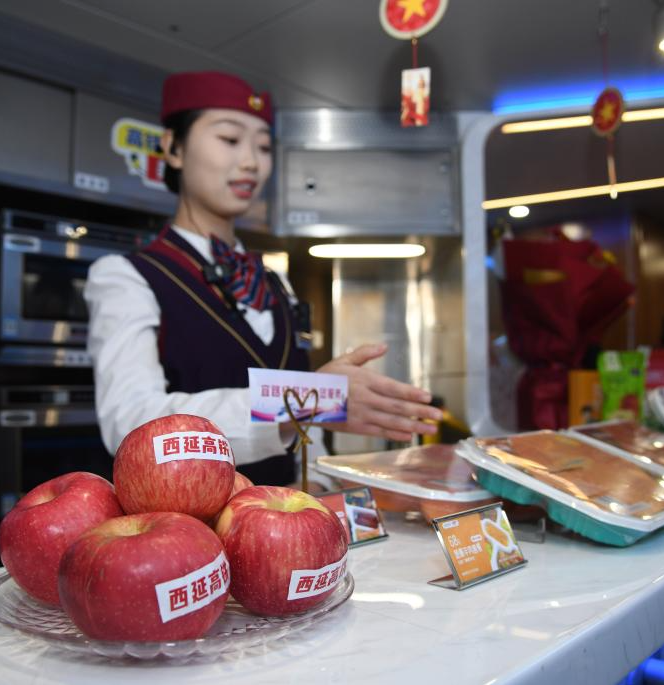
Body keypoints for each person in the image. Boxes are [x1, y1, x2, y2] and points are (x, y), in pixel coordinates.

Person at [85, 71, 441, 485]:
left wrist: (317, 483)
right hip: (187, 522)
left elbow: (307, 434)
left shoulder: (274, 283)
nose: (252, 162)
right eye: (229, 139)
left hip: (284, 514)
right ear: (173, 148)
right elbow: (131, 424)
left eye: (264, 146)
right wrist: (304, 400)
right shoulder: (127, 277)